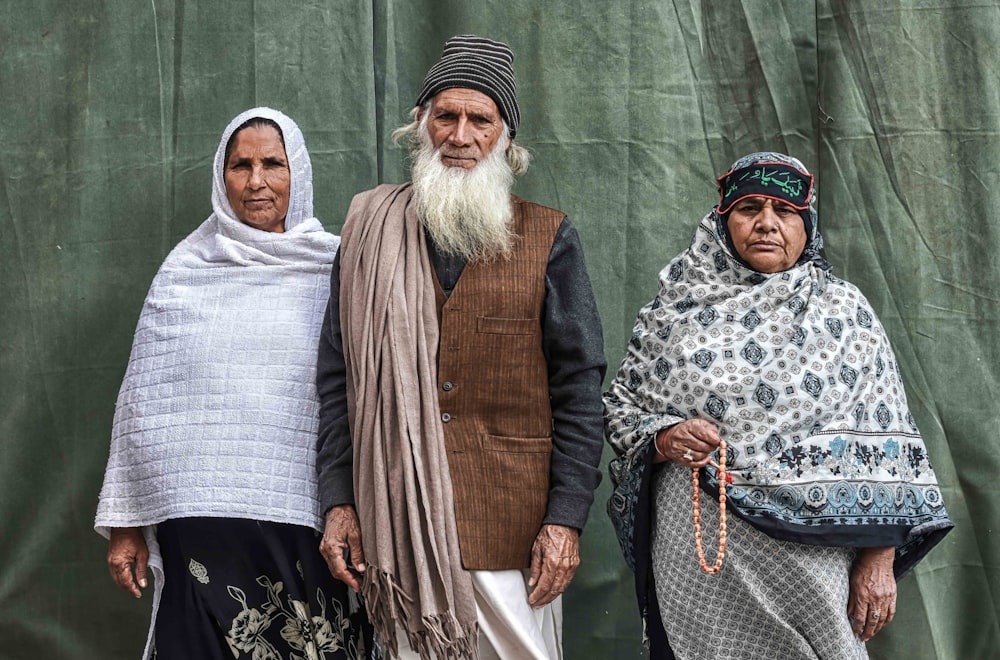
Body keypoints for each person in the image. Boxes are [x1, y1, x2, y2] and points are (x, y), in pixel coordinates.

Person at [315, 35, 607, 660]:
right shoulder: (370, 235)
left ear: (505, 137)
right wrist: (339, 500)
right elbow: (338, 381)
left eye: (481, 119)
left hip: (513, 530)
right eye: (446, 115)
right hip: (395, 526)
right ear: (420, 125)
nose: (461, 135)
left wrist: (566, 519)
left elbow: (580, 389)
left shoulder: (548, 237)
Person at [604, 152, 954, 659]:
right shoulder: (675, 308)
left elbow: (889, 437)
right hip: (701, 555)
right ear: (723, 222)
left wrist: (879, 561)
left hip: (813, 567)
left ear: (806, 226)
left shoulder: (843, 312)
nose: (767, 223)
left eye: (784, 211)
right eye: (749, 208)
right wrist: (663, 439)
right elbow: (621, 409)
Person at [95, 108, 371, 660]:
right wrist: (127, 520)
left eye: (273, 163)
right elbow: (144, 402)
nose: (256, 181)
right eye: (240, 165)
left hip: (303, 517)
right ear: (221, 178)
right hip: (198, 525)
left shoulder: (340, 268)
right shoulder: (185, 270)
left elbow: (361, 395)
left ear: (301, 176)